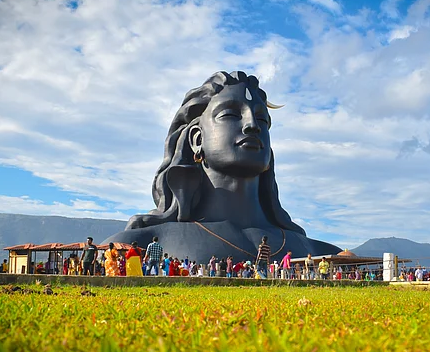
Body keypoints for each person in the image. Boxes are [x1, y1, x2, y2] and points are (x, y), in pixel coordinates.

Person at [102, 71, 342, 263]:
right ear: (197, 139)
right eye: (229, 114)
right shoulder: (138, 242)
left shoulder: (315, 249)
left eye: (261, 119)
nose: (252, 126)